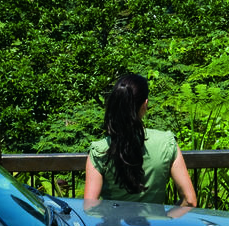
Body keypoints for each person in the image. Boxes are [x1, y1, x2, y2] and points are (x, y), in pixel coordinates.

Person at [84, 73, 197, 207]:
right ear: (145, 104)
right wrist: (167, 219)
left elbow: (89, 207)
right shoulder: (167, 142)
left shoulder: (100, 150)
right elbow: (189, 201)